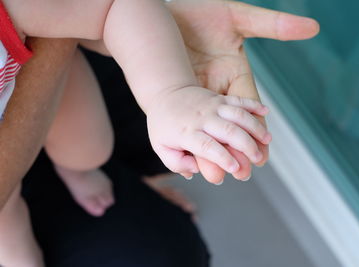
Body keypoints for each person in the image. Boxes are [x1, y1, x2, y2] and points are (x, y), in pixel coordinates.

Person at [0, 1, 319, 266]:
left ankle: (80, 170)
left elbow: (114, 6)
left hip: (47, 78)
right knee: (11, 231)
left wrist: (169, 93)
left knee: (88, 149)